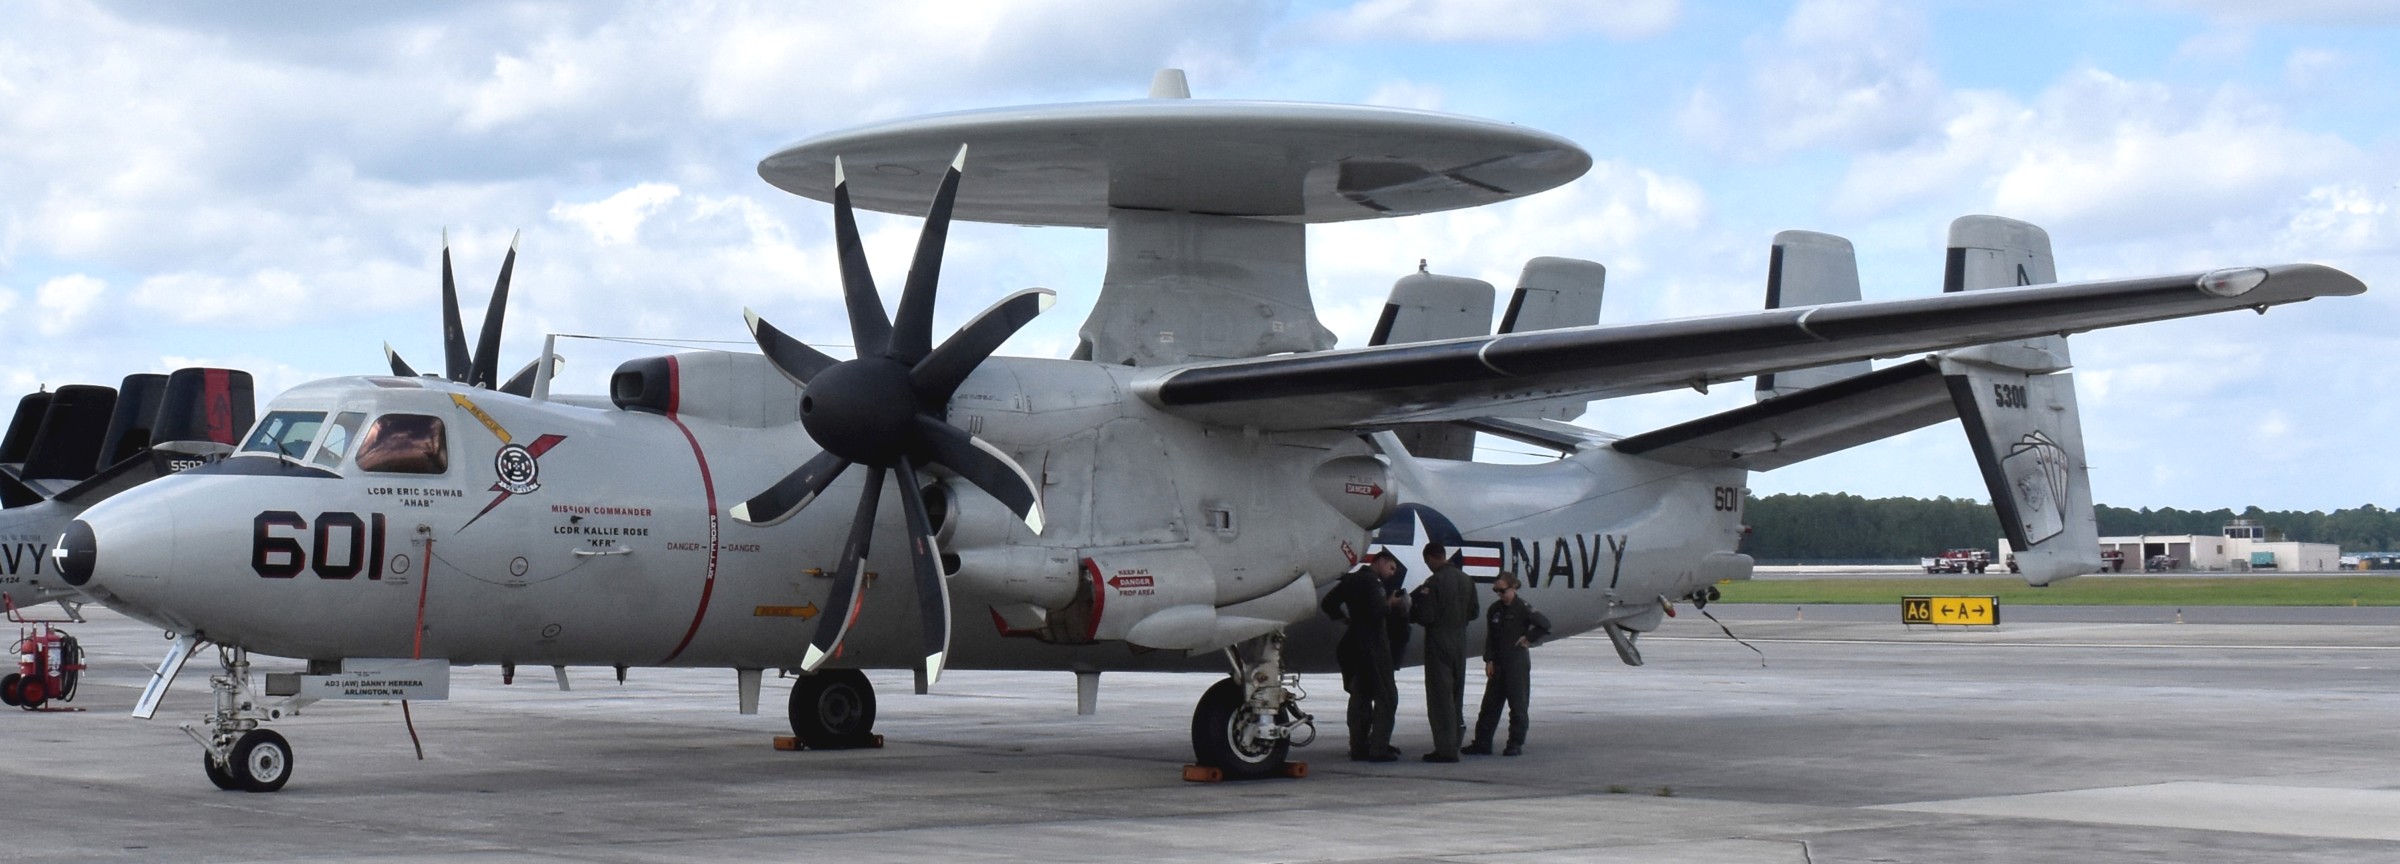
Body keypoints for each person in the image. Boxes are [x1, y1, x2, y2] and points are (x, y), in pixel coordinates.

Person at [1320, 549, 1404, 762]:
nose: (1392, 573)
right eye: (1391, 567)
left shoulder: (1352, 580)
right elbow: (1378, 611)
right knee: (1387, 696)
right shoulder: (1372, 582)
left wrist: (1344, 619)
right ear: (1381, 561)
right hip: (1373, 645)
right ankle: (1379, 747)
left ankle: (1358, 746)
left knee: (1360, 697)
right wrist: (1390, 604)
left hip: (1353, 644)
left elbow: (1328, 603)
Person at [1464, 571, 1550, 757]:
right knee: (1489, 706)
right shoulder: (1495, 609)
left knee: (1518, 706)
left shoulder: (1522, 608)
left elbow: (1544, 624)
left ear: (1513, 588)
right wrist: (1488, 660)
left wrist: (1529, 638)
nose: (1500, 594)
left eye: (1503, 590)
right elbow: (1491, 638)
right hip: (1499, 663)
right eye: (1497, 591)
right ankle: (1482, 742)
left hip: (1516, 663)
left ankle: (1515, 743)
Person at [1411, 542, 1478, 763]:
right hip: (1460, 639)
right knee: (1456, 695)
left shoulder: (1435, 581)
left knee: (1440, 696)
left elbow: (1427, 616)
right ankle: (1455, 740)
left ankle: (1445, 749)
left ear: (1431, 558)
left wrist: (1411, 611)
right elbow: (1474, 612)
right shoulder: (1466, 579)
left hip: (1439, 640)